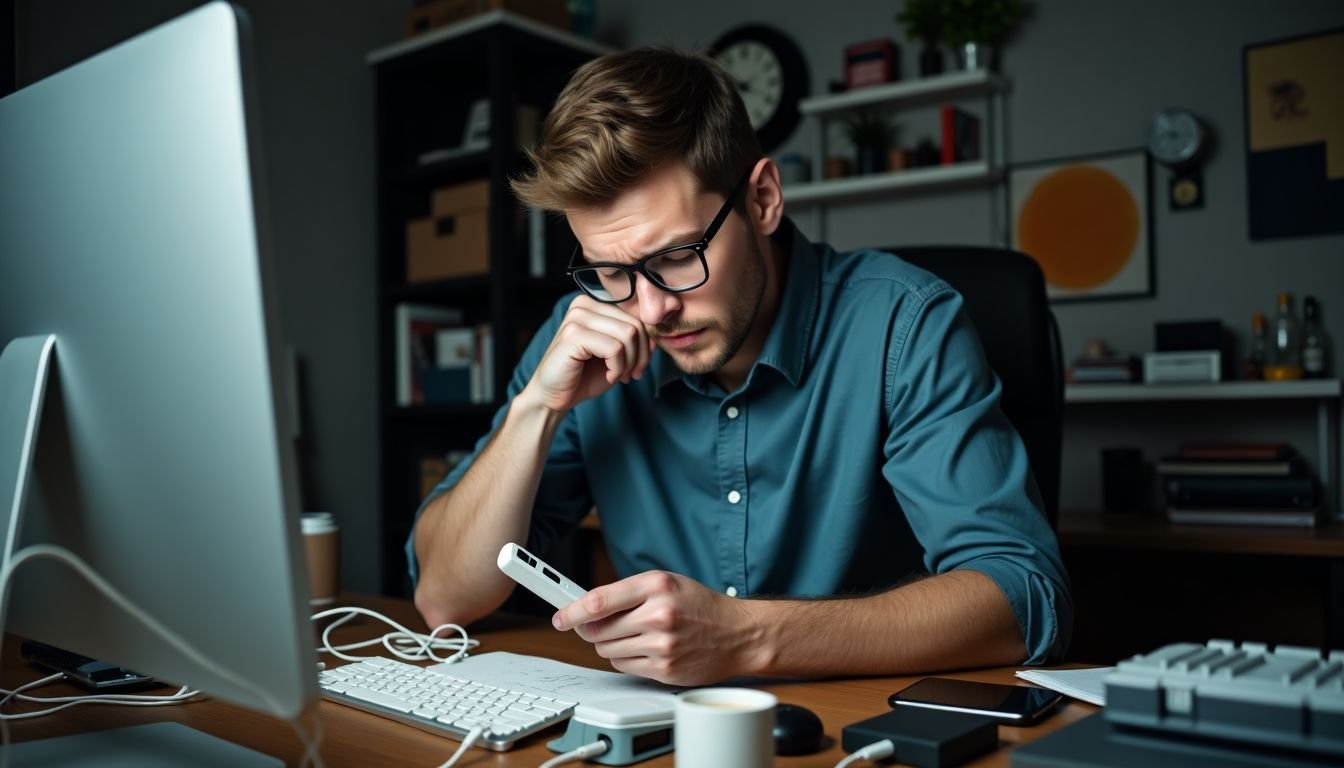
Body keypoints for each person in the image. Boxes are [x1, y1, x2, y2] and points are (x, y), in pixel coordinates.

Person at [408, 47, 1071, 686]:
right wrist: (536, 411)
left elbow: (1023, 598)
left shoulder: (905, 323)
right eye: (613, 272)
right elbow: (442, 599)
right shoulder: (581, 334)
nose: (652, 309)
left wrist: (745, 638)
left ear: (762, 200)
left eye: (676, 256)